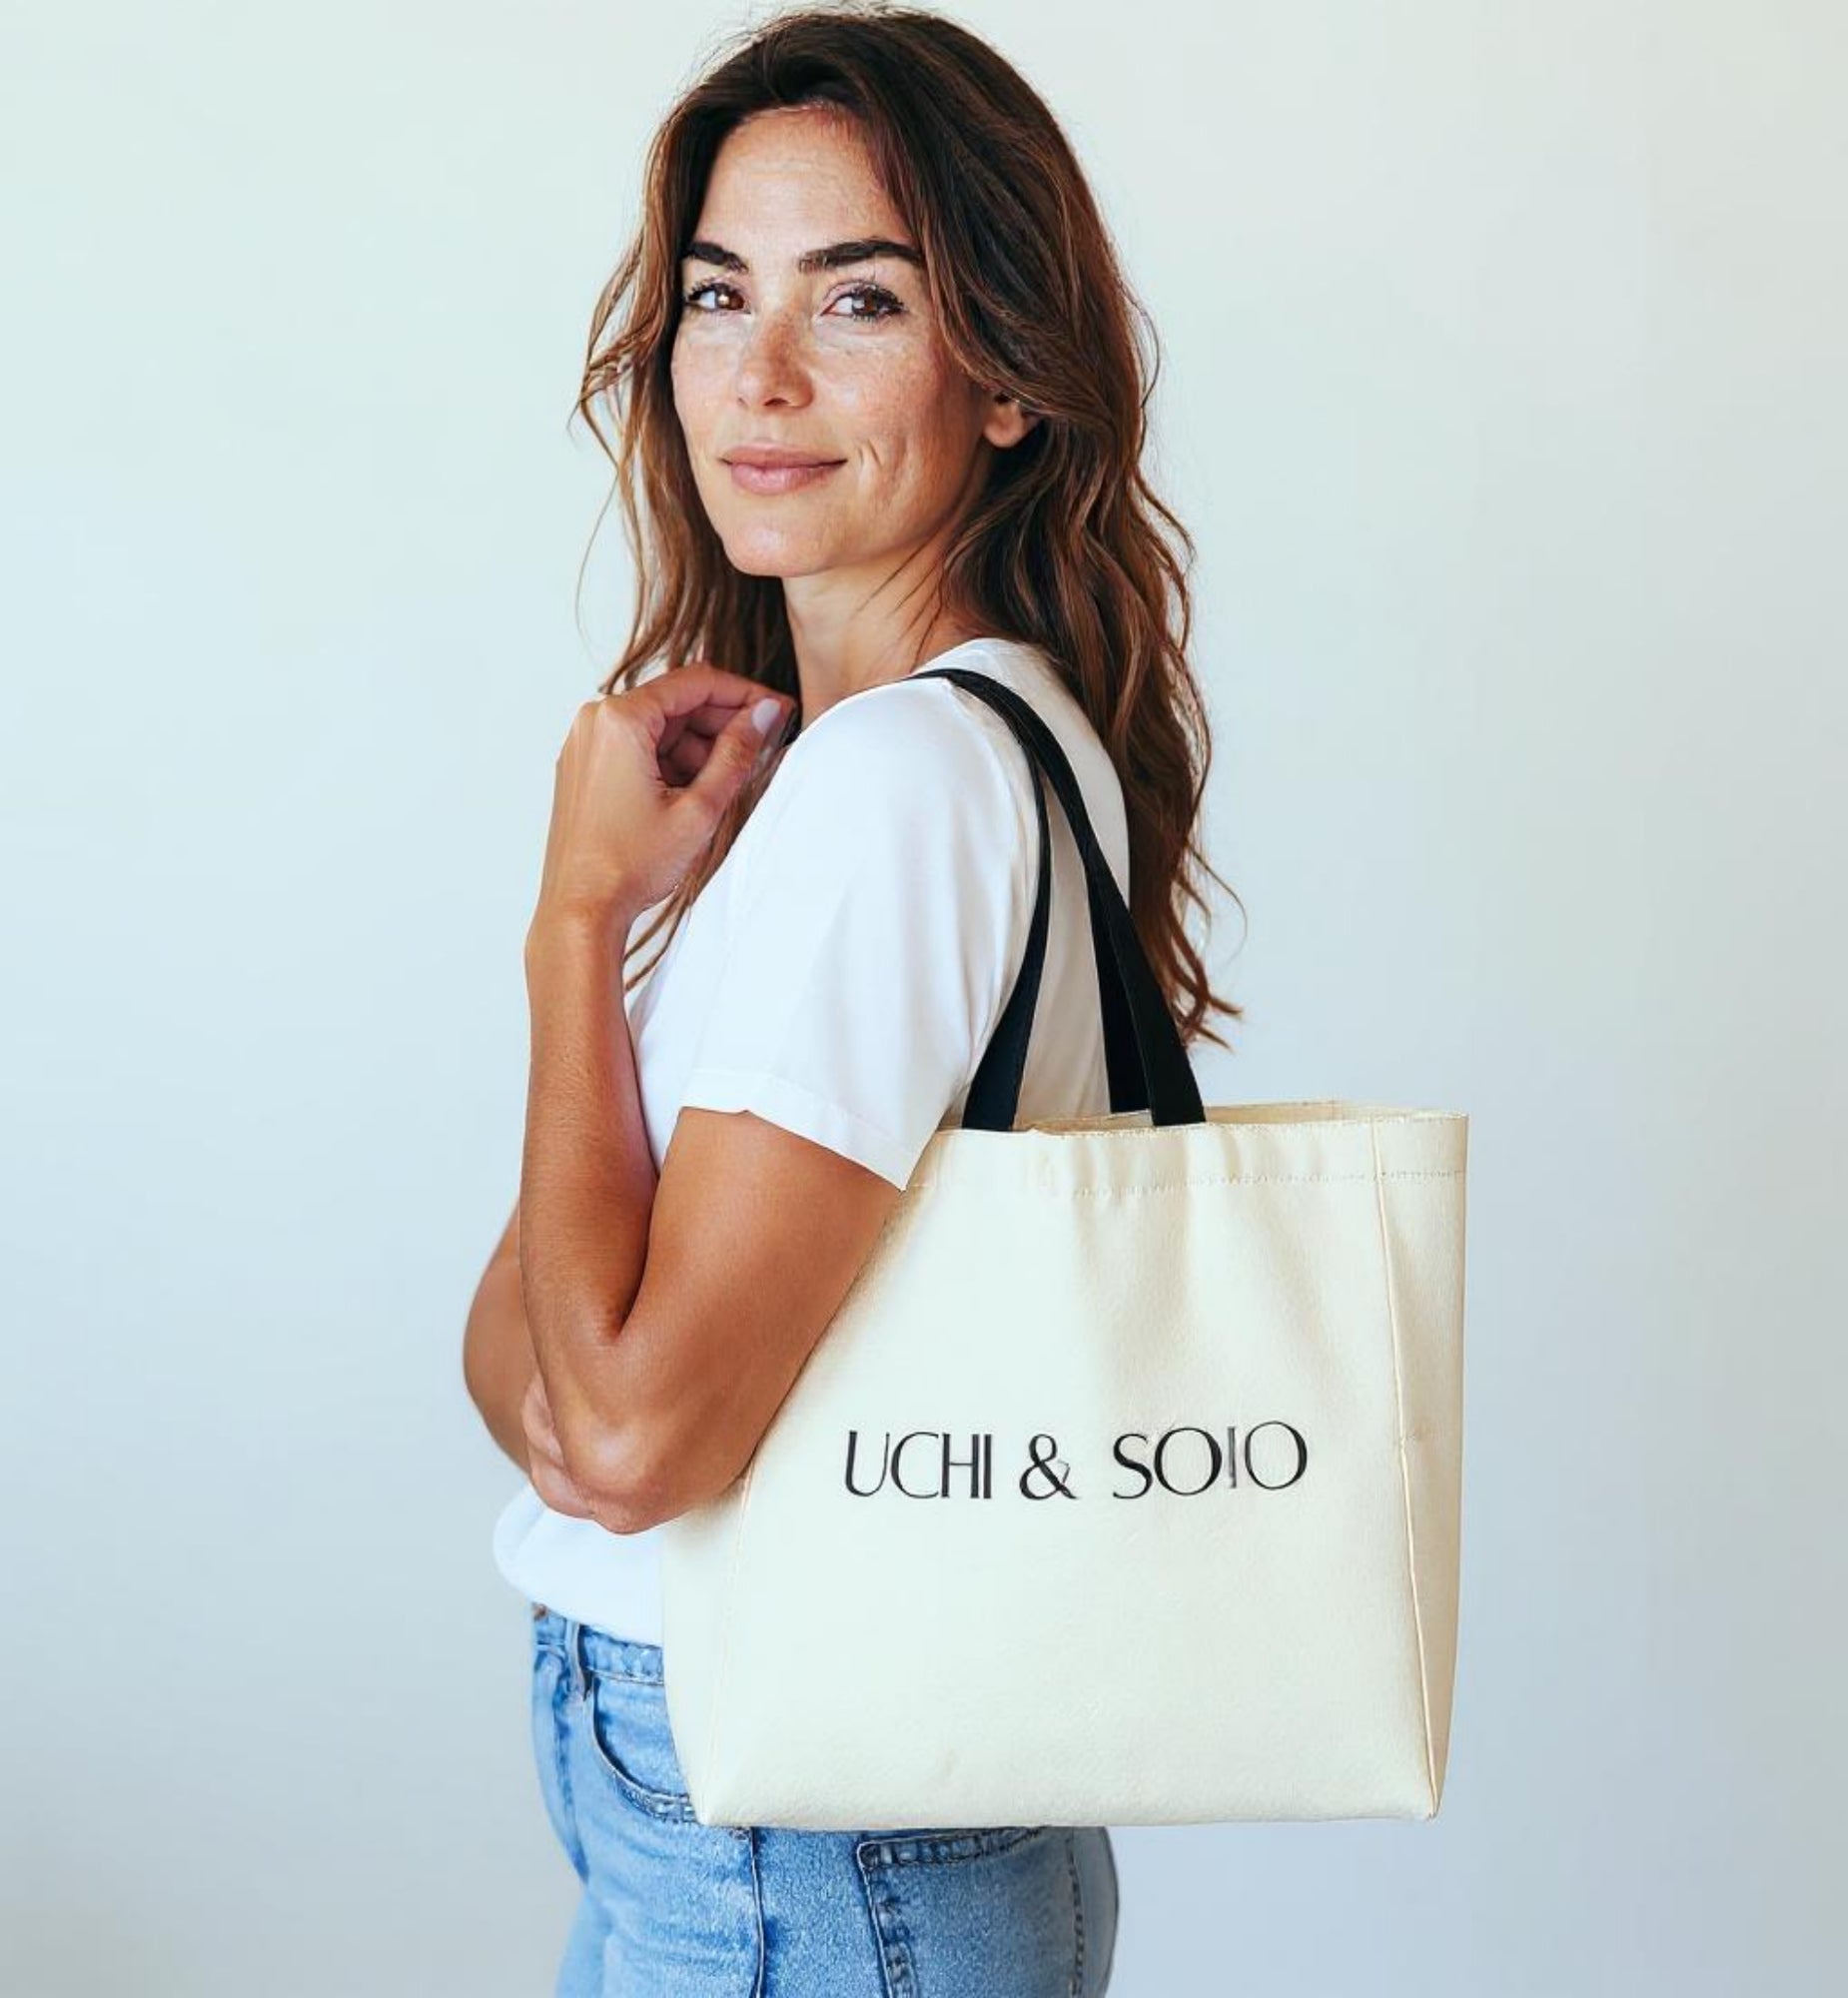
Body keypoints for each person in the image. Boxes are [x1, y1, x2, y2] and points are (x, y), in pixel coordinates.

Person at [462, 6, 1240, 1991]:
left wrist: (569, 925)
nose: (762, 374)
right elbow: (520, 1362)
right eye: (719, 296)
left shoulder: (897, 789)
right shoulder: (938, 755)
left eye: (860, 298)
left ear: (1006, 379)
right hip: (818, 1826)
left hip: (800, 1838)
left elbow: (613, 1439)